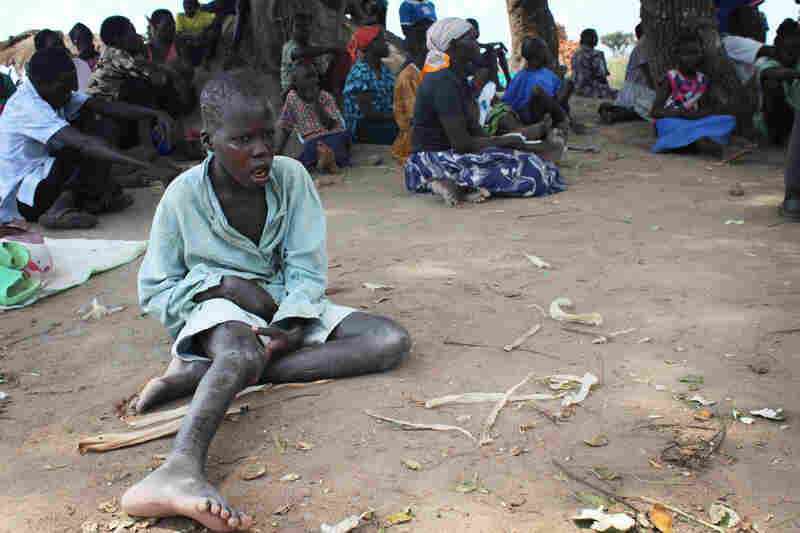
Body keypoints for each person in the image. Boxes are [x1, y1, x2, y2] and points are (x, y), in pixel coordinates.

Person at [121, 69, 409, 532]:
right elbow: (156, 290)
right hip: (214, 309)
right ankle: (180, 468)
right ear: (208, 142)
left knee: (388, 340)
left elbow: (307, 269)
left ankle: (210, 374)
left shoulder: (292, 178)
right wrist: (224, 286)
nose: (260, 149)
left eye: (266, 135)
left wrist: (292, 326)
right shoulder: (181, 198)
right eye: (242, 139)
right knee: (236, 346)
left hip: (282, 305)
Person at [0, 47, 175, 229]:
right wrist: (147, 167)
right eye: (66, 86)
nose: (73, 90)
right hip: (25, 200)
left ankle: (93, 198)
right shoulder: (27, 106)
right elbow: (84, 144)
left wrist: (154, 113)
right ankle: (58, 210)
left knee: (99, 124)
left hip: (41, 181)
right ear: (40, 82)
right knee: (84, 145)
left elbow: (104, 106)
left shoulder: (53, 93)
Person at [405, 18, 566, 207]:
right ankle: (448, 182)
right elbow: (462, 143)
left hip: (452, 155)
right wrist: (504, 141)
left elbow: (475, 132)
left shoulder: (457, 79)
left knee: (531, 162)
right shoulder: (442, 80)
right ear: (455, 44)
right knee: (536, 173)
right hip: (431, 161)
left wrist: (515, 146)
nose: (478, 46)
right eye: (472, 40)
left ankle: (460, 185)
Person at [88, 16, 191, 148]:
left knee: (148, 88)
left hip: (111, 106)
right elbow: (156, 79)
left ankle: (166, 140)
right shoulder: (116, 55)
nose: (136, 35)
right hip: (102, 112)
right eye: (131, 31)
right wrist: (172, 73)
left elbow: (146, 67)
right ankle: (152, 145)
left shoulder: (117, 54)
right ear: (117, 39)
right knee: (147, 87)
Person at [650, 30, 752, 159]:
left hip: (695, 121)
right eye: (686, 54)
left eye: (695, 53)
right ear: (677, 54)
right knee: (689, 131)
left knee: (727, 120)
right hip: (673, 121)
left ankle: (720, 141)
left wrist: (701, 114)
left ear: (701, 54)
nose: (692, 58)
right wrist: (680, 113)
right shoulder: (670, 78)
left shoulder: (703, 80)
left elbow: (705, 108)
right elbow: (655, 111)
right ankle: (720, 150)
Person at [275, 63, 351, 170]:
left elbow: (330, 125)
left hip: (333, 134)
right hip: (313, 140)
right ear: (295, 82)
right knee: (309, 149)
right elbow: (285, 127)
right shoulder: (292, 98)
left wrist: (316, 102)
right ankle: (327, 160)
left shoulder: (325, 96)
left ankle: (327, 160)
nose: (314, 80)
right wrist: (277, 156)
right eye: (308, 77)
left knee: (339, 141)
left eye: (315, 76)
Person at [503, 36, 573, 134]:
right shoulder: (521, 76)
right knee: (537, 92)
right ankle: (561, 119)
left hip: (551, 108)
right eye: (545, 51)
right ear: (539, 55)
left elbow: (558, 92)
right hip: (531, 114)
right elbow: (507, 102)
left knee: (568, 83)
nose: (548, 54)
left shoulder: (547, 73)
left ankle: (558, 117)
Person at [392, 9, 436, 165]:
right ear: (420, 45)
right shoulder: (407, 77)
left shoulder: (431, 70)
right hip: (415, 143)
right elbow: (416, 120)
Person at [343, 27, 398, 144]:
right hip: (361, 127)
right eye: (382, 41)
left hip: (382, 122)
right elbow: (368, 113)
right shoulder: (360, 72)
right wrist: (398, 116)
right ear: (371, 44)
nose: (387, 44)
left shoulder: (384, 70)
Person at [280, 9, 349, 101]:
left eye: (305, 26)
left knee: (343, 55)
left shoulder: (314, 47)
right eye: (298, 26)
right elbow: (299, 53)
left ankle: (338, 91)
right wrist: (329, 49)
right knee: (302, 65)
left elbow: (322, 73)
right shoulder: (288, 46)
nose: (302, 30)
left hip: (315, 85)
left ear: (311, 28)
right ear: (292, 29)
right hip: (294, 88)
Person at [752, 19, 800, 145]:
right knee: (772, 84)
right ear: (776, 44)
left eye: (796, 49)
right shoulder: (764, 62)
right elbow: (772, 73)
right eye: (788, 49)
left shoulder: (796, 65)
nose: (792, 54)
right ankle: (779, 139)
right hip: (768, 125)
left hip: (795, 119)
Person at [598, 24, 656, 123]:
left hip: (635, 86)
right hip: (639, 86)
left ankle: (609, 109)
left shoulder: (641, 44)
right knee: (643, 111)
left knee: (633, 108)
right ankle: (613, 115)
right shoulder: (644, 43)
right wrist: (653, 87)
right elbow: (645, 67)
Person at [719, 1, 775, 83]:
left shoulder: (752, 47)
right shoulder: (732, 41)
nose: (764, 27)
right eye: (758, 20)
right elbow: (775, 52)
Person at [465, 18, 511, 89]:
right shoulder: (466, 39)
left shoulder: (472, 39)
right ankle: (497, 83)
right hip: (471, 65)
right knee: (492, 54)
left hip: (477, 62)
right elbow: (476, 57)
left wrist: (498, 43)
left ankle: (509, 80)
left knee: (499, 52)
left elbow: (485, 46)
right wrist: (494, 47)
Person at [571, 28, 618, 99]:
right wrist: (607, 89)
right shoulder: (596, 54)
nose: (597, 40)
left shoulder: (575, 54)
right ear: (591, 39)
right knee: (620, 94)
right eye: (596, 37)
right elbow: (601, 76)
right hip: (591, 90)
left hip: (576, 89)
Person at [176, 0, 219, 67]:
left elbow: (216, 20)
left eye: (190, 7)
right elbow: (179, 33)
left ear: (195, 7)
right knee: (178, 39)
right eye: (185, 6)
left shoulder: (202, 15)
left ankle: (206, 60)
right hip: (188, 42)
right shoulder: (180, 16)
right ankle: (185, 62)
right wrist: (192, 37)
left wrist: (205, 31)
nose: (187, 9)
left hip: (202, 40)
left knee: (212, 33)